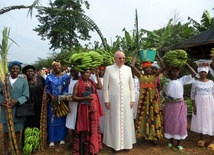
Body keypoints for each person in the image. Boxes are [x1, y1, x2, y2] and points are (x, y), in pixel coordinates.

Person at [103, 50, 136, 152]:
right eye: (119, 58)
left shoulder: (128, 69)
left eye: (123, 58)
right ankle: (115, 145)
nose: (122, 60)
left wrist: (132, 99)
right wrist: (106, 100)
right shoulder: (108, 69)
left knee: (126, 121)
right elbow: (105, 87)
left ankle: (127, 144)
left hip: (126, 100)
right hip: (113, 100)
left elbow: (131, 86)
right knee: (114, 121)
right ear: (115, 59)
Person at [130, 51, 165, 147]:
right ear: (143, 69)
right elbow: (132, 66)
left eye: (150, 67)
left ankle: (154, 137)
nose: (149, 69)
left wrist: (158, 55)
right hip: (143, 101)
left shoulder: (154, 76)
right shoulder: (140, 76)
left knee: (154, 117)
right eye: (147, 68)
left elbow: (163, 67)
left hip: (153, 102)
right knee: (143, 117)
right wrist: (136, 55)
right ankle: (143, 136)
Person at [163, 64, 196, 151]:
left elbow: (194, 74)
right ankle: (170, 141)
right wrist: (166, 97)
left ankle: (178, 143)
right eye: (173, 71)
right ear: (170, 72)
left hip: (179, 105)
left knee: (180, 122)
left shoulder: (181, 80)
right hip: (169, 105)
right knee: (169, 121)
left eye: (176, 71)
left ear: (179, 72)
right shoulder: (166, 81)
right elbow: (163, 92)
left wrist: (186, 65)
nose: (175, 72)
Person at [0, 61, 29, 155]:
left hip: (18, 110)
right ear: (9, 69)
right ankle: (5, 150)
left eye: (17, 68)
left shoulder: (23, 81)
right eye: (13, 68)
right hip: (6, 109)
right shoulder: (3, 80)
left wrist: (16, 101)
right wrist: (2, 102)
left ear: (19, 70)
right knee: (6, 132)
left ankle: (15, 150)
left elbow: (26, 95)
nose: (15, 70)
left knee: (17, 131)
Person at [72, 69, 104, 155]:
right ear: (81, 73)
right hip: (84, 111)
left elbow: (100, 87)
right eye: (86, 73)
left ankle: (93, 149)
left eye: (89, 73)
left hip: (94, 111)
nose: (88, 75)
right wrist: (85, 99)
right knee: (85, 129)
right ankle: (85, 150)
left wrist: (97, 76)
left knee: (93, 129)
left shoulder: (91, 82)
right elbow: (74, 97)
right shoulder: (78, 84)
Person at [46, 60, 70, 148]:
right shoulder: (49, 77)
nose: (57, 67)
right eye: (55, 66)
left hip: (62, 101)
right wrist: (50, 95)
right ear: (52, 68)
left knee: (61, 118)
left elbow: (68, 87)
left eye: (58, 66)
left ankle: (62, 138)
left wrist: (63, 96)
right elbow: (47, 88)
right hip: (53, 102)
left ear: (61, 67)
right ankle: (51, 139)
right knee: (52, 119)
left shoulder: (66, 77)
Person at [190, 66, 214, 151]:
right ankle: (202, 138)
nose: (203, 73)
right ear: (198, 73)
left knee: (211, 120)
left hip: (210, 104)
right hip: (199, 104)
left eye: (204, 72)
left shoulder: (211, 82)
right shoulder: (195, 82)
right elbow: (192, 96)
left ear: (207, 73)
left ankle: (212, 141)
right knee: (201, 120)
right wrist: (194, 107)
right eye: (201, 72)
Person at [65, 67, 79, 150]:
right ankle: (73, 140)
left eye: (74, 72)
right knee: (72, 123)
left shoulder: (80, 81)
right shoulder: (70, 79)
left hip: (78, 104)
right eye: (71, 72)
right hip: (71, 104)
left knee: (78, 122)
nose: (73, 73)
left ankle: (79, 140)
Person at [97, 66, 106, 134]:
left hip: (104, 100)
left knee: (104, 115)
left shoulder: (106, 79)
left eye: (103, 70)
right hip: (97, 99)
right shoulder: (94, 78)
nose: (101, 72)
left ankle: (104, 130)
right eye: (100, 70)